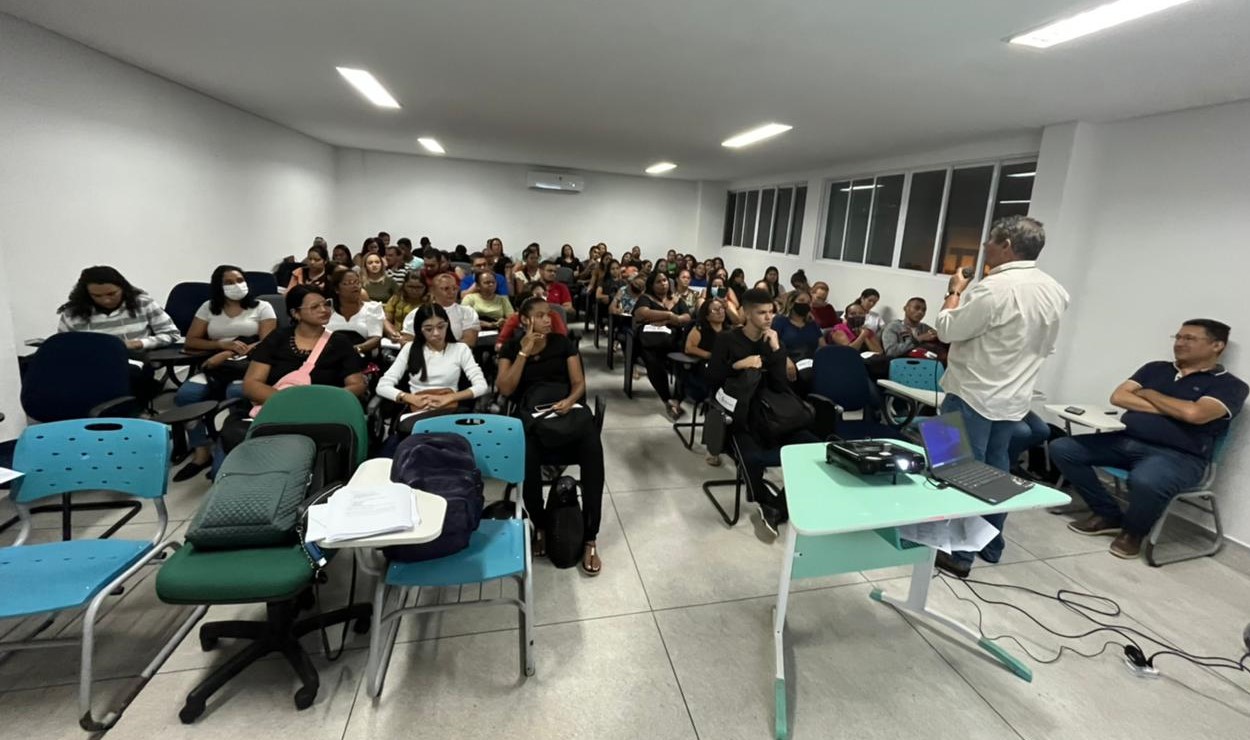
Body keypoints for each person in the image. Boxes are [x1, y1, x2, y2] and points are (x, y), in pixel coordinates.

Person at [933, 215, 1069, 577]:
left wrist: (954, 292)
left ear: (1006, 245)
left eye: (990, 239)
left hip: (970, 392)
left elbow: (946, 330)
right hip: (1013, 398)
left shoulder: (994, 288)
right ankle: (990, 545)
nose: (984, 246)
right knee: (996, 471)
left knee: (957, 470)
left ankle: (959, 554)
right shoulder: (1055, 290)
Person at [1050, 320, 1247, 559]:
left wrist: (1150, 393)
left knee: (1146, 480)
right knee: (1063, 448)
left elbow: (1195, 415)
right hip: (1125, 440)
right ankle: (1107, 514)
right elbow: (1119, 397)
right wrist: (1178, 410)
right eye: (1178, 337)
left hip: (1180, 456)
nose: (1180, 343)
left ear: (1217, 345)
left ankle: (1133, 533)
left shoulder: (1231, 386)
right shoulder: (1155, 369)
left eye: (1189, 338)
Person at [496, 297, 605, 575]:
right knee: (528, 458)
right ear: (525, 320)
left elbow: (579, 383)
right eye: (541, 315)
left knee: (593, 450)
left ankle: (590, 536)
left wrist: (570, 400)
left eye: (549, 315)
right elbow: (506, 389)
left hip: (567, 411)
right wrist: (524, 353)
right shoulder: (511, 348)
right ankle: (542, 526)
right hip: (533, 417)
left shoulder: (562, 343)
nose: (548, 319)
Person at [705, 288, 819, 536]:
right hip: (741, 416)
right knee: (752, 458)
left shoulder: (773, 340)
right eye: (761, 313)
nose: (769, 317)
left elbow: (780, 384)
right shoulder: (727, 339)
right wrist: (738, 365)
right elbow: (712, 378)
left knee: (814, 451)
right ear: (746, 313)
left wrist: (777, 350)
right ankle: (765, 500)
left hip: (774, 415)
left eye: (771, 312)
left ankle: (776, 508)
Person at [172, 265, 277, 481]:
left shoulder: (262, 307)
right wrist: (221, 346)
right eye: (228, 282)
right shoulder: (208, 307)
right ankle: (201, 451)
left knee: (236, 393)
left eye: (239, 280)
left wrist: (232, 351)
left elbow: (268, 342)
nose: (236, 285)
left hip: (248, 365)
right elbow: (191, 341)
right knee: (187, 395)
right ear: (218, 287)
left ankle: (229, 449)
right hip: (216, 365)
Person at [243, 285, 367, 408]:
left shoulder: (340, 342)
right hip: (281, 408)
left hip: (324, 410)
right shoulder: (277, 338)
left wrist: (325, 402)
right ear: (296, 313)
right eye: (315, 307)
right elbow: (251, 384)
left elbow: (357, 385)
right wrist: (293, 403)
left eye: (326, 304)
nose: (324, 310)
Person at [377, 304, 489, 428]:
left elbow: (481, 386)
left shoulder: (460, 349)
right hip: (417, 410)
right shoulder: (410, 349)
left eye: (441, 327)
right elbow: (382, 386)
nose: (436, 333)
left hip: (449, 410)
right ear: (420, 329)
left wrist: (450, 398)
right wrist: (409, 398)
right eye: (429, 329)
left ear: (447, 325)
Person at [57, 266, 182, 351]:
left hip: (133, 361)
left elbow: (171, 334)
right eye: (97, 296)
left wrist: (140, 343)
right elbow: (62, 346)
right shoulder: (72, 313)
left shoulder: (143, 303)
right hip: (90, 363)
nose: (106, 300)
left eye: (111, 294)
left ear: (123, 288)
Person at [633, 271, 692, 420]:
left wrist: (671, 320)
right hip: (651, 341)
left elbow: (687, 317)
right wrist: (669, 315)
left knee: (686, 361)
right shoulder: (646, 298)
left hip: (673, 339)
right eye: (658, 281)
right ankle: (667, 399)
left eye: (665, 280)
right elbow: (641, 313)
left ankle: (677, 399)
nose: (663, 284)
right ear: (651, 285)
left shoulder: (676, 300)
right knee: (652, 361)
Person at [685, 296, 733, 466]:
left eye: (722, 309)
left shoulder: (730, 330)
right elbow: (689, 348)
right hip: (705, 370)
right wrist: (711, 355)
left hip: (726, 370)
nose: (720, 312)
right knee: (716, 398)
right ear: (706, 315)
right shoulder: (700, 329)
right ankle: (712, 447)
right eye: (715, 310)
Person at [401, 272, 480, 347]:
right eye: (446, 289)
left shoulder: (467, 312)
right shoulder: (417, 313)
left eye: (454, 288)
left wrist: (442, 351)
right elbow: (406, 341)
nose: (452, 292)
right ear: (432, 291)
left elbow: (469, 341)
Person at [325, 269, 384, 356]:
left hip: (361, 354)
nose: (355, 286)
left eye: (357, 282)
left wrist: (353, 350)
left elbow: (376, 339)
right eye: (348, 283)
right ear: (337, 289)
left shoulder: (372, 308)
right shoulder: (326, 308)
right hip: (329, 354)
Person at [496, 282, 568, 348]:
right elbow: (500, 344)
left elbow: (562, 339)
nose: (542, 299)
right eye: (537, 296)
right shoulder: (515, 318)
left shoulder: (553, 314)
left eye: (544, 294)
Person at [772, 289, 823, 364]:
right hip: (787, 363)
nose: (805, 304)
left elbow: (822, 345)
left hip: (811, 363)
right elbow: (773, 345)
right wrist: (785, 359)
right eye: (801, 300)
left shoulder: (812, 324)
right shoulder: (780, 321)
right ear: (791, 303)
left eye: (808, 302)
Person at [384, 272, 426, 342]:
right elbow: (386, 320)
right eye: (410, 286)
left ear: (425, 287)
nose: (414, 290)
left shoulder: (430, 302)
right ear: (404, 286)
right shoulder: (397, 298)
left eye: (419, 287)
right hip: (396, 338)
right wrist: (392, 333)